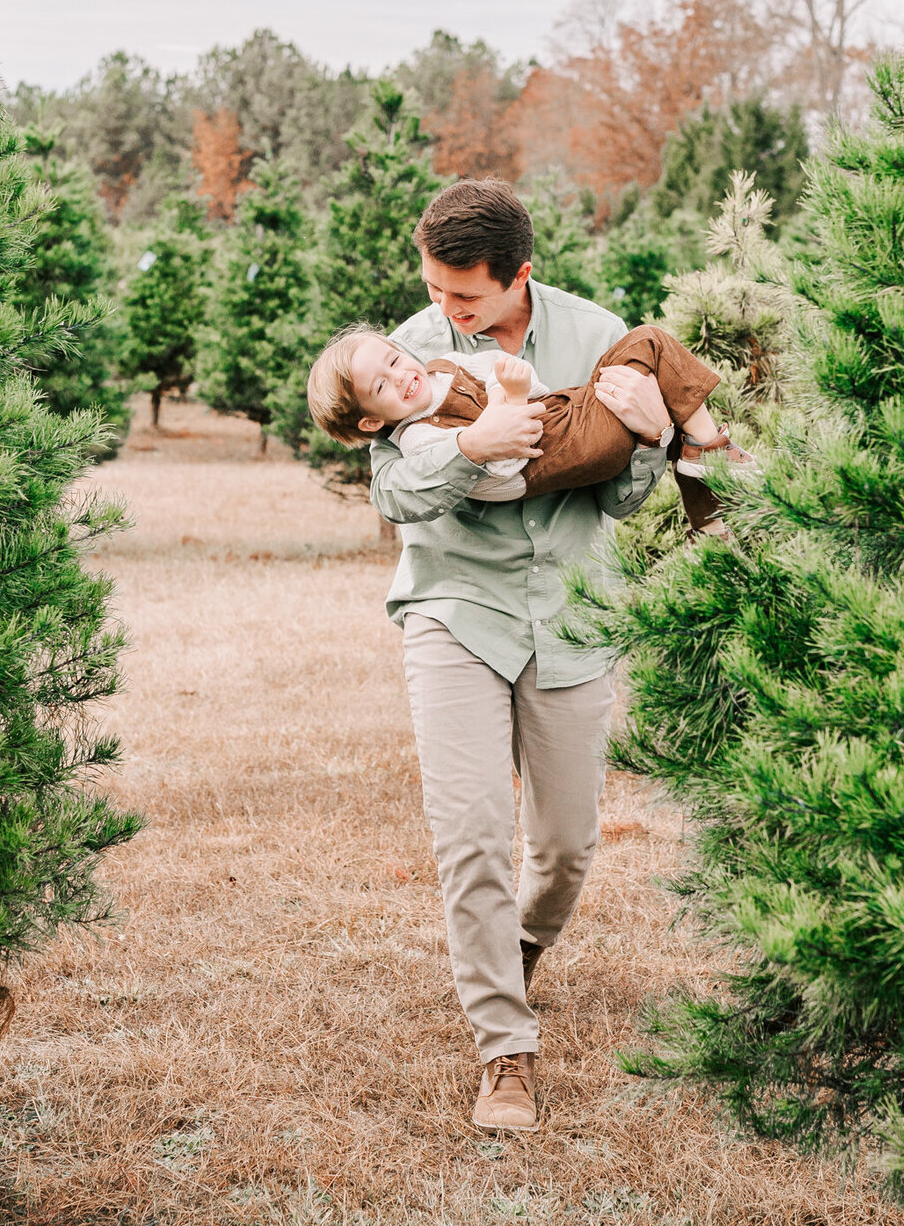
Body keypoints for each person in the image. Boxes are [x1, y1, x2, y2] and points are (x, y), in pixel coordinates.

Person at [347, 178, 719, 1132]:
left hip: (571, 610)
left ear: (520, 276)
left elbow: (624, 500)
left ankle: (515, 950)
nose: (444, 310)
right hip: (454, 609)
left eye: (463, 296)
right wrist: (470, 446)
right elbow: (391, 496)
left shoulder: (595, 333)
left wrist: (645, 437)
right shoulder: (410, 354)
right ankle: (504, 1051)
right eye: (433, 288)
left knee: (563, 846)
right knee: (469, 835)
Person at [306, 324, 756, 517]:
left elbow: (512, 375)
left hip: (567, 414)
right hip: (563, 453)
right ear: (369, 423)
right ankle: (706, 448)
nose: (400, 375)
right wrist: (511, 396)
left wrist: (517, 385)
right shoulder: (419, 437)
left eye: (393, 359)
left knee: (648, 353)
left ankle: (706, 501)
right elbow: (500, 468)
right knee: (650, 345)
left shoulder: (441, 366)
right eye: (380, 387)